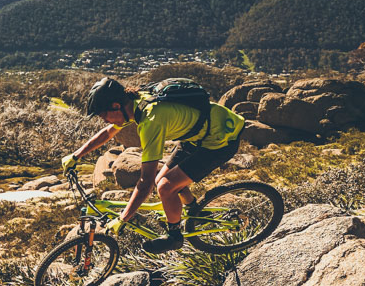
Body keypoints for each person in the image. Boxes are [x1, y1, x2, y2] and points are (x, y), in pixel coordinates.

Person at [61, 77, 245, 253]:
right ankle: (196, 211)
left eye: (103, 115)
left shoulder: (150, 121)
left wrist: (123, 217)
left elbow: (144, 182)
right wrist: (76, 155)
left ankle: (174, 236)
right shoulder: (134, 104)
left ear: (116, 106)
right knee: (162, 181)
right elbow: (109, 132)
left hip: (220, 138)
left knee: (165, 186)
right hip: (196, 134)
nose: (105, 120)